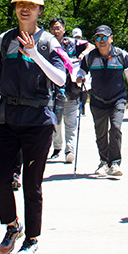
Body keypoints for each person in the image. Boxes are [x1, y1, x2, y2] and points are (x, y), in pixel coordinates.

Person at [0, 0, 70, 254]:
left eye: (30, 5)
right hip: (6, 118)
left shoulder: (49, 43)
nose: (24, 8)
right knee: (0, 178)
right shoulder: (4, 41)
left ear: (40, 11)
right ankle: (12, 226)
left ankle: (32, 239)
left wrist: (35, 55)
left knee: (32, 183)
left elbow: (61, 79)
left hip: (38, 121)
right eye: (19, 4)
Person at [79, 25, 128, 177]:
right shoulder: (90, 57)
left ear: (111, 39)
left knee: (116, 128)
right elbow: (81, 70)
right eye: (98, 38)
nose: (101, 41)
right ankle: (104, 162)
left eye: (105, 37)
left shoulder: (121, 55)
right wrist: (80, 77)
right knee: (100, 133)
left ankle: (115, 163)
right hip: (97, 99)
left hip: (117, 98)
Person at [47, 17, 86, 163]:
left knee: (70, 122)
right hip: (52, 91)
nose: (56, 31)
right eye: (53, 28)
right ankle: (57, 148)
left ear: (64, 29)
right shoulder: (46, 44)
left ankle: (70, 150)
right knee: (55, 122)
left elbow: (90, 46)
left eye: (58, 28)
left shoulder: (72, 43)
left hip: (71, 90)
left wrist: (82, 55)